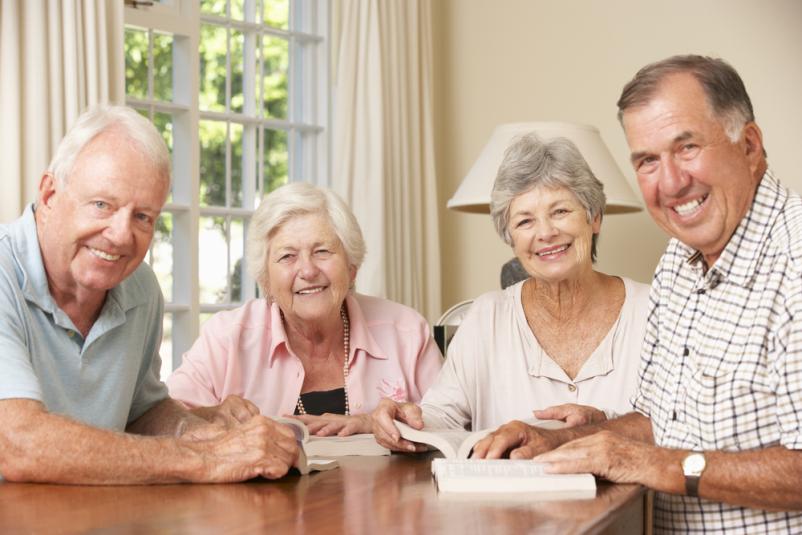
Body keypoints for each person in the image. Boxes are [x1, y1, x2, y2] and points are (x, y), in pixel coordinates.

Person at [474, 55, 802, 532]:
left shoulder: (795, 259)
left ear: (749, 145)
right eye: (648, 160)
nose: (670, 182)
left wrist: (656, 465)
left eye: (687, 147)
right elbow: (659, 422)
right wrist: (559, 440)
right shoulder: (678, 260)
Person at [0, 105, 299, 484]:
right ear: (49, 196)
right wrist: (203, 457)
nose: (122, 235)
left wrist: (207, 430)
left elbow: (141, 413)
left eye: (143, 217)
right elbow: (17, 444)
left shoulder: (140, 287)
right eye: (102, 205)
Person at [372, 133, 650, 451]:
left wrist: (600, 424)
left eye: (560, 211)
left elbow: (683, 425)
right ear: (510, 238)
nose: (545, 233)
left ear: (594, 218)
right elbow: (442, 417)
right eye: (525, 221)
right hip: (509, 501)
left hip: (632, 499)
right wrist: (406, 421)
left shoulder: (652, 310)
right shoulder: (487, 316)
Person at [166, 182, 443, 436]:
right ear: (266, 280)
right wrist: (214, 418)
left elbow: (451, 426)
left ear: (351, 267)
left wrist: (375, 425)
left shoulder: (407, 333)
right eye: (287, 256)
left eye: (322, 251)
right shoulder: (226, 338)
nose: (308, 270)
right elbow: (167, 422)